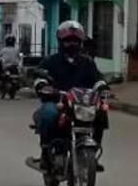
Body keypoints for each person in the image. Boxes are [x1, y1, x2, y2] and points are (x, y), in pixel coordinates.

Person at [32, 20, 107, 169]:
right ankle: (46, 152)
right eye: (67, 41)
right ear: (61, 42)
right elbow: (39, 77)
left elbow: (97, 79)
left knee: (101, 114)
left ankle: (93, 150)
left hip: (81, 104)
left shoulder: (88, 63)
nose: (71, 44)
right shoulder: (51, 61)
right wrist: (44, 86)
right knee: (48, 113)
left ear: (80, 42)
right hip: (57, 101)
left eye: (75, 41)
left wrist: (102, 87)